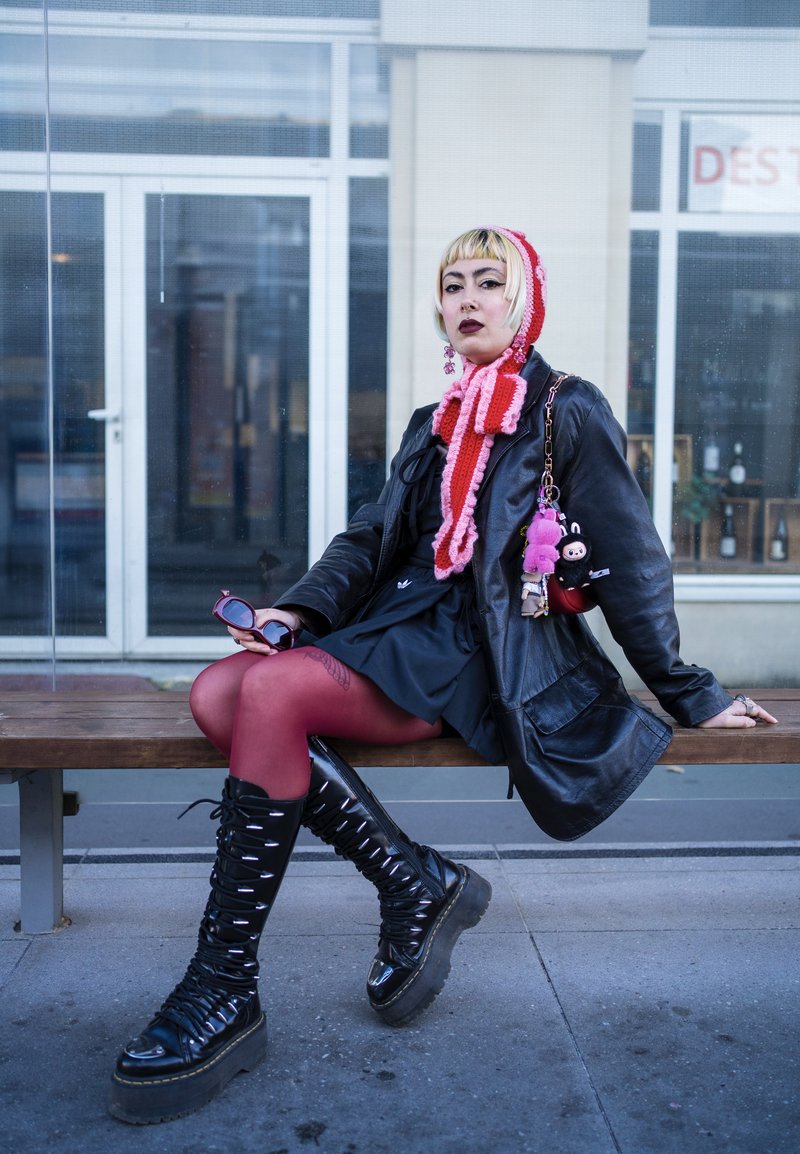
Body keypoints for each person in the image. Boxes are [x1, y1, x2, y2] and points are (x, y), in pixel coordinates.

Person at [108, 227, 777, 1125]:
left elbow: (631, 559)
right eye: (453, 283)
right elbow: (371, 538)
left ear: (523, 301)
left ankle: (223, 982)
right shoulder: (435, 419)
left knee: (265, 693)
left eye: (488, 282)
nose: (467, 299)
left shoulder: (566, 409)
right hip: (399, 626)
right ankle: (413, 880)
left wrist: (692, 691)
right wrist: (298, 614)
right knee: (214, 692)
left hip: (482, 648)